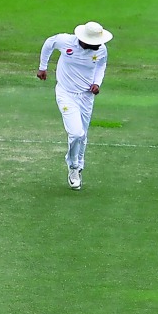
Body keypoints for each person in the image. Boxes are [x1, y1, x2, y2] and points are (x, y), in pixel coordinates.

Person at [37, 21, 112, 190]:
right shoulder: (66, 41)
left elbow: (101, 66)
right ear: (83, 39)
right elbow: (49, 43)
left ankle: (78, 168)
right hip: (66, 94)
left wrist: (97, 83)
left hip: (86, 97)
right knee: (76, 133)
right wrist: (43, 67)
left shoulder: (101, 50)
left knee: (82, 135)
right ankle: (73, 167)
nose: (98, 45)